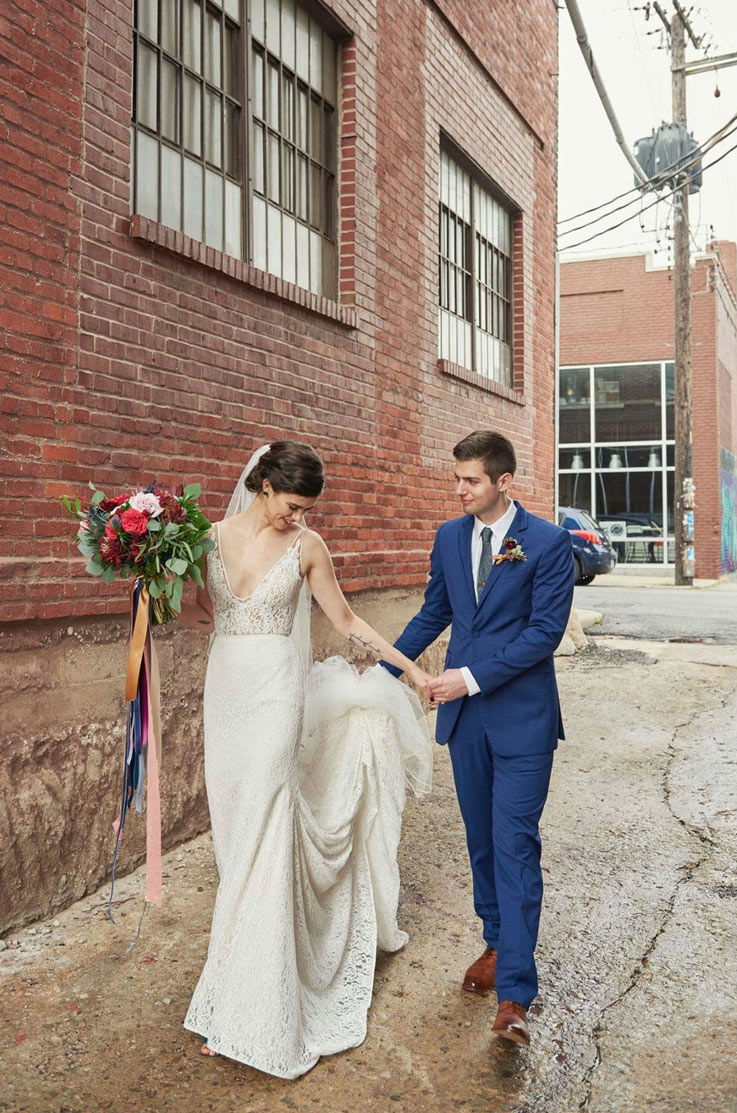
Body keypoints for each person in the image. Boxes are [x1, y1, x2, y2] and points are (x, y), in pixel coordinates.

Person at [178, 441, 433, 1078]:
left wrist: (410, 670)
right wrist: (149, 581)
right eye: (292, 505)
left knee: (263, 831)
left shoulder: (308, 547)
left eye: (306, 509)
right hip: (226, 693)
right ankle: (240, 982)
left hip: (275, 700)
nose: (298, 517)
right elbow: (196, 612)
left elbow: (345, 619)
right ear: (263, 486)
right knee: (235, 836)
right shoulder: (205, 539)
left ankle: (246, 1007)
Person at [382, 430, 574, 1047]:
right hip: (466, 725)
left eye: (471, 480)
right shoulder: (448, 537)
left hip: (522, 720)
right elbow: (434, 613)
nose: (459, 490)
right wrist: (383, 671)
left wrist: (466, 678)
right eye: (457, 479)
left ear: (503, 482)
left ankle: (515, 994)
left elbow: (543, 633)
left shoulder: (548, 542)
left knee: (515, 844)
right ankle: (495, 942)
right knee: (482, 842)